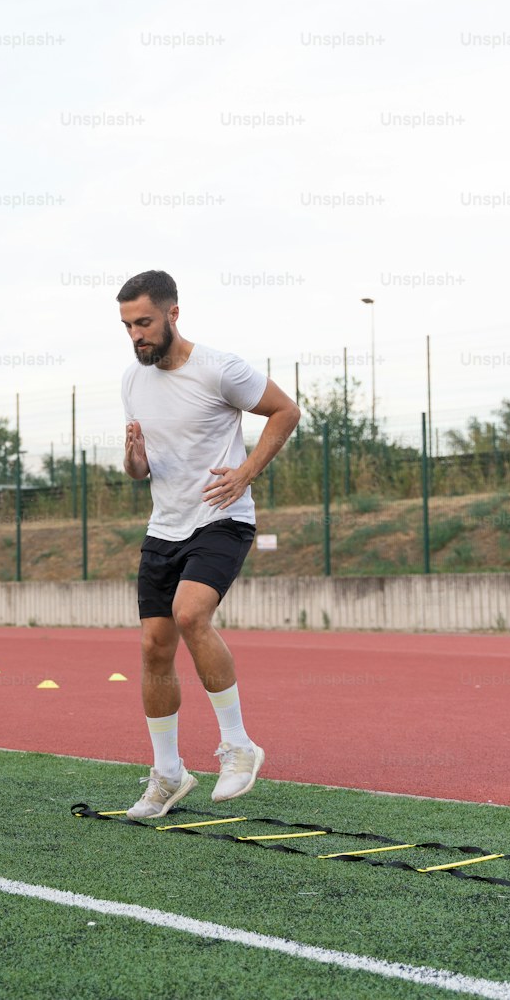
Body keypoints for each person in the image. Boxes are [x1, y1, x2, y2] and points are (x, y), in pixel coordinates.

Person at [116, 270, 300, 820]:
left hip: (221, 517)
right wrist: (135, 460)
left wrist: (245, 473)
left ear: (173, 314)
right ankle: (168, 774)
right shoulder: (132, 379)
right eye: (127, 325)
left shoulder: (220, 368)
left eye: (144, 322)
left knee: (190, 613)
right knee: (153, 646)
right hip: (164, 526)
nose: (135, 335)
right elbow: (136, 471)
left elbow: (285, 411)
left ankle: (238, 745)